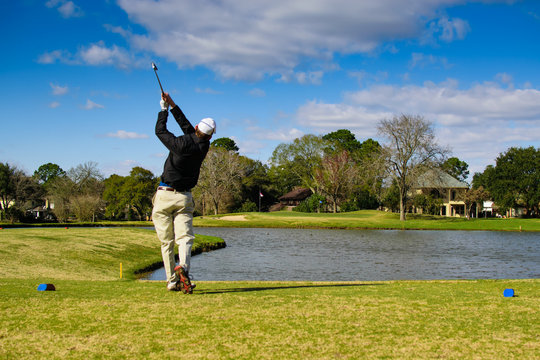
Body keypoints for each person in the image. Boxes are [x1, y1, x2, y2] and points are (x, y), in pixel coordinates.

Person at [152, 92, 216, 293]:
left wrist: (164, 109)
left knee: (166, 242)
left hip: (164, 195)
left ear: (197, 128)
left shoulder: (179, 144)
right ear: (211, 135)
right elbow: (189, 128)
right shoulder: (204, 145)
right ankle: (184, 268)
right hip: (184, 198)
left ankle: (172, 280)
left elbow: (160, 131)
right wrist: (173, 105)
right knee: (185, 238)